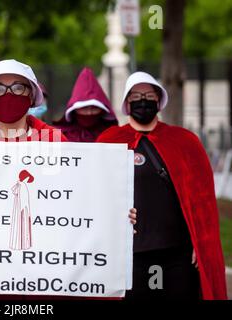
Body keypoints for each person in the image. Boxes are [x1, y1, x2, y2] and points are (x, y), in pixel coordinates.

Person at [0, 59, 137, 300]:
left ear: (31, 95)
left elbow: (81, 203)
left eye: (18, 87)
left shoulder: (58, 145)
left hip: (42, 286)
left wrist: (116, 219)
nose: (8, 94)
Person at [97, 71, 227, 300]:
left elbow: (202, 201)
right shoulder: (110, 140)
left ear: (159, 100)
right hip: (132, 255)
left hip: (178, 254)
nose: (143, 100)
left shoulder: (185, 142)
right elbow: (97, 194)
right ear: (127, 103)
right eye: (136, 95)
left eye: (149, 95)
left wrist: (201, 243)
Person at [54, 67, 118, 142]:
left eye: (94, 108)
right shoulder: (56, 135)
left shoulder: (115, 135)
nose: (89, 113)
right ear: (74, 110)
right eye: (84, 108)